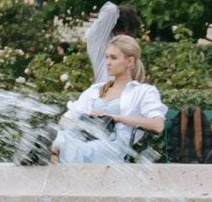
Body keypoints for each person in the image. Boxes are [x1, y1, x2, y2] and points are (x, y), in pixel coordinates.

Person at [54, 33, 170, 165]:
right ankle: (54, 150)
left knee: (70, 146)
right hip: (86, 138)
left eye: (113, 58)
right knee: (65, 137)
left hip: (113, 147)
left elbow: (158, 125)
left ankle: (53, 152)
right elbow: (65, 120)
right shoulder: (95, 90)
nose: (108, 62)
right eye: (107, 57)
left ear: (130, 61)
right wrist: (89, 116)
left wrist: (115, 117)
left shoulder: (143, 92)